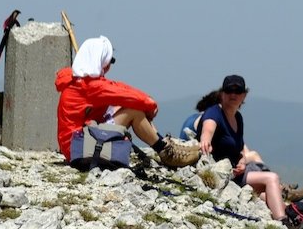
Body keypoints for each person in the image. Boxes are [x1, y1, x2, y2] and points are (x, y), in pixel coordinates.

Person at [198, 75, 303, 229]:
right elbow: (208, 129)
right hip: (222, 175)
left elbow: (238, 150)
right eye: (229, 90)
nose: (233, 94)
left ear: (244, 95)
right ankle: (283, 223)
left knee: (268, 197)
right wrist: (205, 140)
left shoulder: (238, 118)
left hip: (236, 174)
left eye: (237, 91)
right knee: (272, 178)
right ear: (222, 93)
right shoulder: (214, 112)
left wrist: (242, 161)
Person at [54, 36, 200, 169]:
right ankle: (166, 152)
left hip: (74, 144)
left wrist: (145, 101)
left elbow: (117, 88)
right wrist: (150, 104)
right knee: (134, 111)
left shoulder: (78, 82)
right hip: (79, 148)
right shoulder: (91, 87)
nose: (110, 65)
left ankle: (165, 146)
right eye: (109, 60)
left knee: (132, 105)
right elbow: (126, 95)